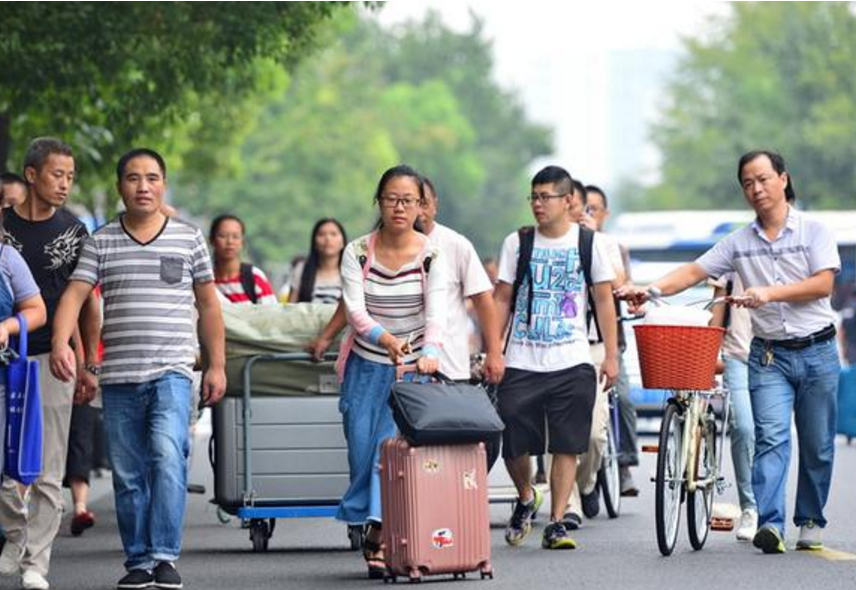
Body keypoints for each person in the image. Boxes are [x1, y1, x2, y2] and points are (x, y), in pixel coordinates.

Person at [618, 150, 841, 555]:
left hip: (818, 351)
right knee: (769, 436)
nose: (756, 189)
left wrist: (769, 293)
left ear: (784, 179)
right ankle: (770, 524)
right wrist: (648, 290)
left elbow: (823, 284)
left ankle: (809, 519)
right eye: (747, 183)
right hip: (768, 356)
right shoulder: (738, 243)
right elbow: (693, 272)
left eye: (763, 179)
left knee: (817, 445)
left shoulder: (814, 231)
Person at [50, 148, 227, 589]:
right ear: (120, 187)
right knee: (129, 475)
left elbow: (208, 304)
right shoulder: (102, 240)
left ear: (163, 184)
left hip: (172, 372)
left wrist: (218, 365)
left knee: (167, 456)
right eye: (133, 178)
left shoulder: (188, 239)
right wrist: (62, 346)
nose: (142, 186)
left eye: (151, 178)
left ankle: (165, 555)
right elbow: (74, 296)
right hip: (120, 378)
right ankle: (139, 562)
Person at [494, 165, 618, 550]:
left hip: (573, 358)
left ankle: (557, 520)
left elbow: (603, 300)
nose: (537, 204)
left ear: (568, 201)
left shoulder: (589, 244)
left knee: (567, 444)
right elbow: (501, 297)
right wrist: (493, 350)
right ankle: (527, 496)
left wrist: (611, 356)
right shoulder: (518, 243)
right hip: (521, 359)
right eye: (533, 196)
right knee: (513, 439)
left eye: (545, 197)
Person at [334, 165, 446, 579]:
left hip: (411, 370)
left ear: (421, 206)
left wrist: (430, 350)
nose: (399, 207)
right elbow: (355, 310)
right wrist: (385, 339)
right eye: (391, 199)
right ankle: (371, 522)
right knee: (362, 453)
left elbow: (436, 312)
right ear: (378, 202)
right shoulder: (357, 251)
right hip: (366, 365)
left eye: (408, 200)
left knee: (388, 453)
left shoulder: (433, 253)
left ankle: (380, 535)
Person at [0, 138, 100, 590]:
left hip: (54, 356)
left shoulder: (74, 231)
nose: (64, 183)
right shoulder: (3, 232)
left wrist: (87, 362)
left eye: (70, 176)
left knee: (47, 466)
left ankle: (36, 561)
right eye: (56, 174)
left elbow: (85, 304)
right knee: (7, 466)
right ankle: (16, 537)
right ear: (31, 175)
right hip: (5, 356)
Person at [582, 185, 640, 498]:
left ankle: (626, 464)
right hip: (576, 342)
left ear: (605, 214)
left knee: (625, 398)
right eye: (583, 209)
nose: (587, 215)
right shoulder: (567, 244)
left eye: (594, 210)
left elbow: (622, 286)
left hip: (609, 342)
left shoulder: (610, 245)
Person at [710, 273, 758, 541]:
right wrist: (708, 360)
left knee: (771, 434)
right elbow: (717, 319)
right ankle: (750, 508)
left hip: (777, 356)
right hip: (737, 357)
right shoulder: (729, 266)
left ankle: (772, 511)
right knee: (743, 427)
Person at [210, 214, 277, 305]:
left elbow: (271, 314)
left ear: (242, 242)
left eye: (235, 236)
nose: (230, 241)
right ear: (212, 240)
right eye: (223, 236)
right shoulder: (205, 281)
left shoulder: (255, 277)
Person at [289, 218, 347, 304]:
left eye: (333, 234)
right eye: (321, 234)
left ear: (343, 242)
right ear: (314, 242)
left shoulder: (352, 271)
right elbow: (291, 308)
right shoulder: (301, 269)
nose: (328, 238)